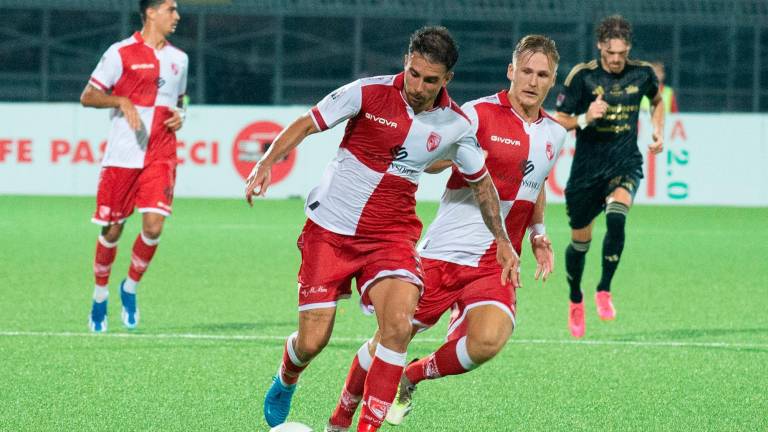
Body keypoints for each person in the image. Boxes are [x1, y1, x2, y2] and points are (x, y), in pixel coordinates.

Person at [246, 26, 517, 432]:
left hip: (391, 236)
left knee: (398, 327)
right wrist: (267, 161)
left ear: (447, 80)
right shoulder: (366, 93)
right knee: (312, 342)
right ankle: (287, 376)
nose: (419, 87)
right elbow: (308, 122)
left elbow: (481, 182)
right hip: (330, 231)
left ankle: (363, 427)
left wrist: (502, 240)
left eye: (430, 80)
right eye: (413, 73)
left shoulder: (456, 124)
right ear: (405, 63)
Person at [324, 34, 566, 431]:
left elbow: (535, 183)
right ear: (511, 71)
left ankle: (412, 376)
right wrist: (455, 155)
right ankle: (342, 415)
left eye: (542, 75)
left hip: (494, 261)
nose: (532, 81)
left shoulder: (555, 135)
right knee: (389, 338)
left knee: (489, 340)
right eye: (526, 71)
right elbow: (431, 152)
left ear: (552, 80)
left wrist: (539, 233)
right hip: (443, 255)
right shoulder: (476, 114)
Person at [554, 15, 664, 338]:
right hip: (587, 171)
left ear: (628, 48)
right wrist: (586, 117)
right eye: (609, 53)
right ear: (600, 46)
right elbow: (558, 120)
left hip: (624, 163)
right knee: (580, 244)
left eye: (621, 53)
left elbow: (656, 100)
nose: (615, 60)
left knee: (617, 218)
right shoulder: (582, 77)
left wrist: (659, 130)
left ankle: (604, 289)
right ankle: (576, 298)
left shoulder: (642, 73)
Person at [80, 0, 188, 333]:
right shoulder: (119, 53)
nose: (177, 16)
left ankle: (129, 287)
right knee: (112, 230)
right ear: (151, 12)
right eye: (171, 9)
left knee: (154, 226)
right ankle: (100, 296)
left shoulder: (179, 59)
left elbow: (179, 101)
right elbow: (88, 95)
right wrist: (121, 99)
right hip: (122, 156)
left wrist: (179, 116)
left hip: (161, 153)